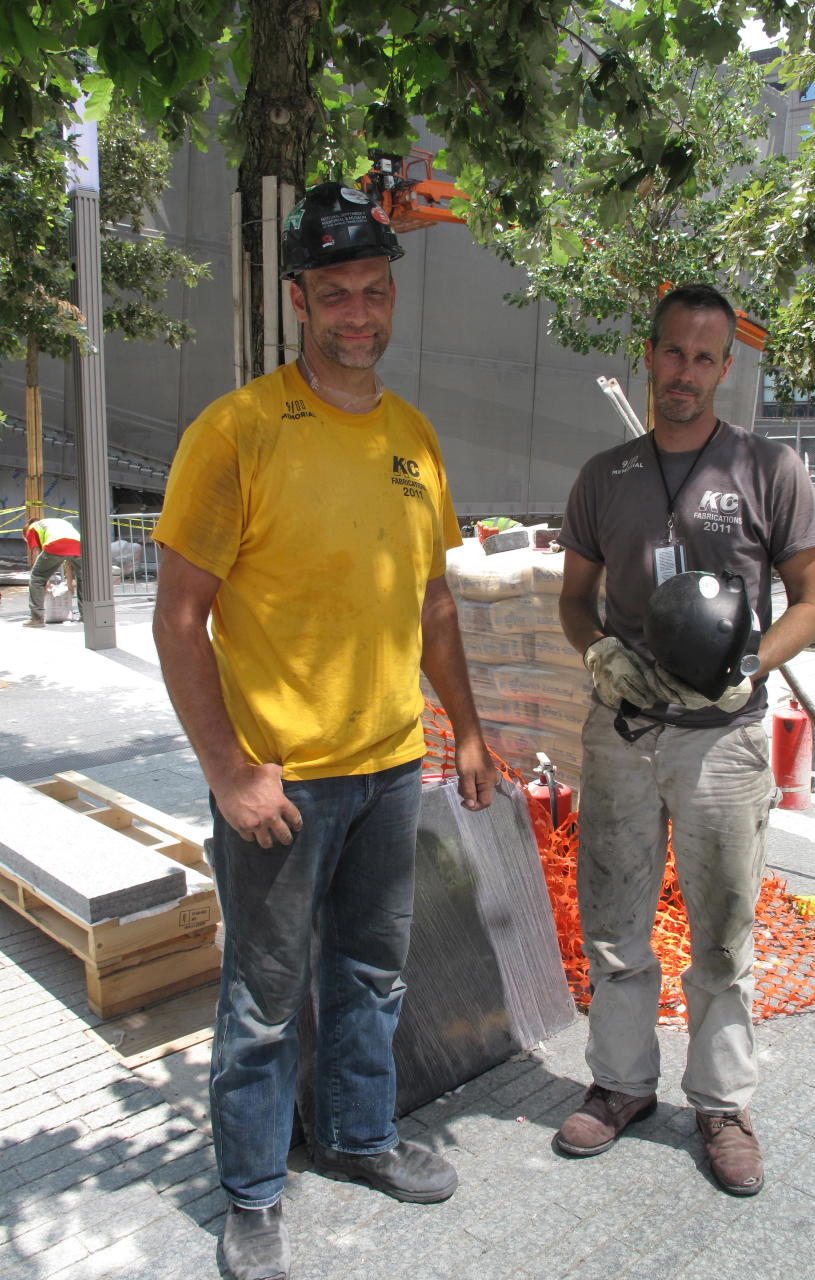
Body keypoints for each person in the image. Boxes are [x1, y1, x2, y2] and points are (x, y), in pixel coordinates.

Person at [152, 182, 498, 1280]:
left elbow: (433, 601)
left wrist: (469, 730)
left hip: (394, 765)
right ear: (300, 300)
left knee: (372, 972)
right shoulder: (240, 430)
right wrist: (227, 773)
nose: (359, 311)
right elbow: (177, 616)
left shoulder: (413, 438)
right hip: (283, 783)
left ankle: (358, 1135)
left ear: (392, 297)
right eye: (335, 292)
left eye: (374, 290)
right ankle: (252, 1192)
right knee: (261, 998)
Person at [555, 283, 815, 1196]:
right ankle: (622, 1083)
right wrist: (598, 653)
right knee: (616, 923)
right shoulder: (606, 475)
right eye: (673, 352)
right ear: (651, 350)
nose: (686, 373)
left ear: (726, 366)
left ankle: (720, 1104)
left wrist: (755, 665)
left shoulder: (769, 468)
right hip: (624, 733)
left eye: (705, 358)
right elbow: (571, 598)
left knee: (721, 932)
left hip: (724, 741)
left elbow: (813, 599)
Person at [22, 515, 83, 627]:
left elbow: (36, 553)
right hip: (78, 545)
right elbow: (68, 558)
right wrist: (70, 582)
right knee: (84, 579)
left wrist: (43, 580)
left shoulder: (31, 529)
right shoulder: (55, 522)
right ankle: (86, 615)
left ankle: (37, 618)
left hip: (56, 545)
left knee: (36, 579)